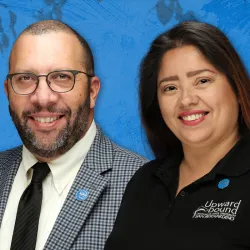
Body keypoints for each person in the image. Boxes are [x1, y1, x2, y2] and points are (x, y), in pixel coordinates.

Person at [0, 20, 147, 250]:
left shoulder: (145, 188)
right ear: (8, 91)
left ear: (92, 91)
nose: (43, 98)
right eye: (25, 78)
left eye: (61, 77)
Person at [104, 21, 250, 250]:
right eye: (170, 88)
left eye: (202, 81)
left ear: (236, 87)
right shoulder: (145, 181)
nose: (186, 100)